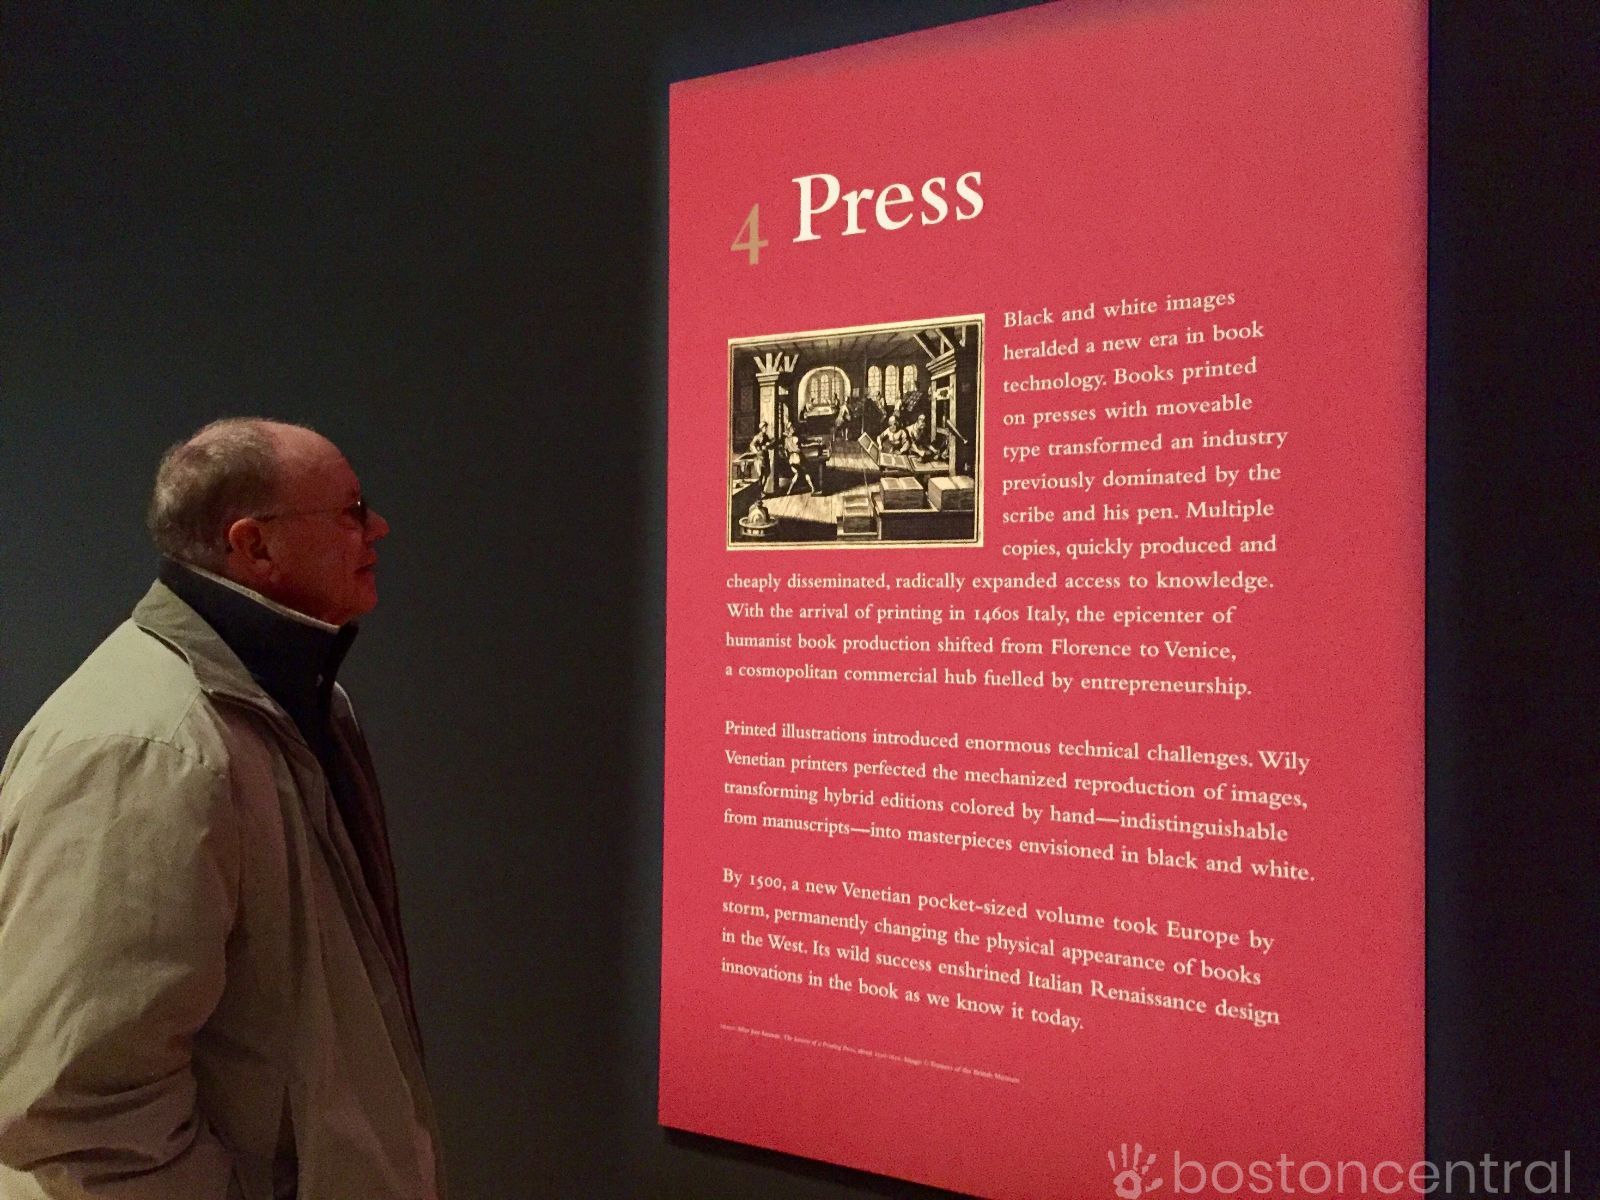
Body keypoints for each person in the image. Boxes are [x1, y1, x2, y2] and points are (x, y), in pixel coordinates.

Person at [0, 419, 445, 1199]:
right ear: (255, 546)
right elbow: (82, 1109)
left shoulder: (300, 703)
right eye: (350, 510)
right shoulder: (145, 746)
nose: (377, 527)